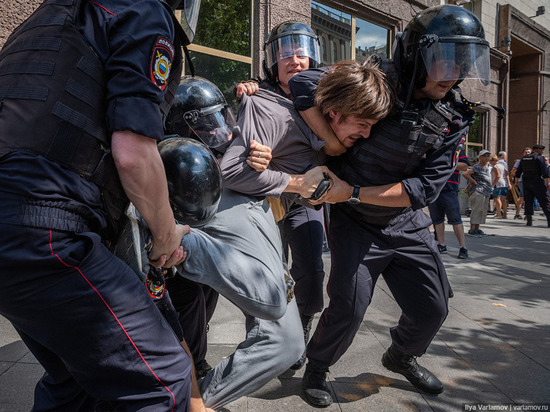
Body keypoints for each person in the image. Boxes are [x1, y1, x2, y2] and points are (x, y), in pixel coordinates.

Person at [0, 0, 210, 410]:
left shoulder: (45, 18)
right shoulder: (144, 11)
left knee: (76, 383)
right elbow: (132, 153)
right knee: (163, 380)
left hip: (19, 228)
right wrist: (166, 235)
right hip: (44, 224)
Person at [289, 5, 490, 406]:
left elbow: (424, 188)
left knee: (433, 306)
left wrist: (353, 191)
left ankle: (401, 355)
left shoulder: (453, 114)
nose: (453, 73)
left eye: (462, 63)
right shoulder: (376, 78)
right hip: (355, 222)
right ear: (417, 54)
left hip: (406, 219)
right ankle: (316, 367)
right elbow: (303, 84)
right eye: (444, 60)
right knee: (348, 305)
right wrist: (330, 144)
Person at [160, 76, 305, 411]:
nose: (222, 132)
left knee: (203, 305)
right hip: (175, 256)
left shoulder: (230, 155)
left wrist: (264, 164)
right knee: (185, 307)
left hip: (206, 248)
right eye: (208, 125)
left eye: (222, 119)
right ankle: (188, 383)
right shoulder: (173, 164)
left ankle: (192, 380)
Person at [234, 21, 348, 370]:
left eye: (301, 52)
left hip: (306, 200)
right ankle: (264, 337)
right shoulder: (257, 94)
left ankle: (302, 324)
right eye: (285, 52)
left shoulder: (326, 95)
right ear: (272, 60)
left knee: (311, 270)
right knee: (263, 273)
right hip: (266, 197)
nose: (295, 60)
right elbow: (240, 143)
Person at [428, 146, 470, 259]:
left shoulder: (456, 148)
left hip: (450, 190)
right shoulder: (433, 148)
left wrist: (448, 164)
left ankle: (463, 247)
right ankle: (441, 245)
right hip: (434, 189)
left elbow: (465, 166)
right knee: (437, 219)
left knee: (455, 219)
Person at [514, 144, 550, 227]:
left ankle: (529, 221)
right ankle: (549, 220)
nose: (543, 152)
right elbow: (544, 171)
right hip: (537, 181)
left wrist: (516, 182)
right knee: (544, 200)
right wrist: (548, 182)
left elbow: (518, 172)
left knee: (528, 201)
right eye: (542, 150)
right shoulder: (539, 157)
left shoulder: (524, 158)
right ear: (538, 150)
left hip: (526, 182)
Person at [463, 150, 494, 237]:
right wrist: (474, 182)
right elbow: (465, 174)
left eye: (488, 156)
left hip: (485, 191)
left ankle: (477, 228)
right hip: (478, 190)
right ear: (479, 157)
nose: (486, 157)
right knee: (476, 209)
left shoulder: (487, 166)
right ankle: (472, 229)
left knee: (482, 210)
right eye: (484, 156)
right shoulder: (477, 166)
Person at [511, 147, 532, 219]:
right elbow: (514, 171)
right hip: (522, 181)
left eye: (529, 152)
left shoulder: (533, 161)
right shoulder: (520, 161)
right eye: (526, 152)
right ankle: (523, 214)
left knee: (523, 198)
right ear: (523, 153)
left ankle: (523, 214)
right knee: (524, 197)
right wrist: (515, 181)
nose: (527, 154)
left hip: (530, 181)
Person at [489, 154, 510, 218]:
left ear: (493, 160)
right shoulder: (502, 165)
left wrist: (493, 185)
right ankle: (505, 214)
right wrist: (508, 183)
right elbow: (507, 173)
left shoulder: (495, 166)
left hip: (498, 184)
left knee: (497, 199)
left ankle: (499, 214)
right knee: (503, 199)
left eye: (490, 161)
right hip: (504, 183)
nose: (489, 162)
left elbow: (498, 176)